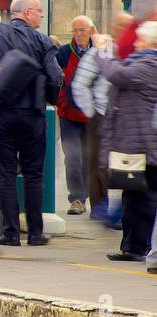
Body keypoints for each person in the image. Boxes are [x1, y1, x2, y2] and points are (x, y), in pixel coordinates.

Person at [0, 0, 63, 246]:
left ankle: (10, 232)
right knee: (33, 175)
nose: (41, 15)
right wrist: (50, 99)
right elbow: (55, 76)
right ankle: (36, 233)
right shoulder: (43, 40)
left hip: (2, 115)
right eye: (39, 11)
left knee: (5, 174)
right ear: (27, 12)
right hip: (33, 117)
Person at [97, 22, 157, 267]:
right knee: (133, 195)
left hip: (144, 143)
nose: (135, 43)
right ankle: (132, 246)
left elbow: (116, 75)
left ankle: (138, 247)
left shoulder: (149, 65)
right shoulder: (144, 62)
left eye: (140, 41)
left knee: (143, 196)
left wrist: (103, 51)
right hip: (138, 141)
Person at [74, 13, 134, 226]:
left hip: (126, 118)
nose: (126, 29)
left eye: (128, 25)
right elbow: (80, 83)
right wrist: (93, 112)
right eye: (121, 25)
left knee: (130, 166)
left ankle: (123, 212)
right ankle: (100, 209)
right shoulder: (102, 50)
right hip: (101, 115)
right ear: (113, 27)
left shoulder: (135, 50)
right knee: (97, 165)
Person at [56, 16, 101, 216]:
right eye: (75, 31)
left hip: (92, 115)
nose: (78, 35)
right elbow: (55, 78)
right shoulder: (64, 53)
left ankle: (94, 201)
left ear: (91, 30)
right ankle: (76, 198)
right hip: (69, 115)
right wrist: (61, 101)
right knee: (72, 157)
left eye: (82, 30)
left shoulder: (101, 51)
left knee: (91, 157)